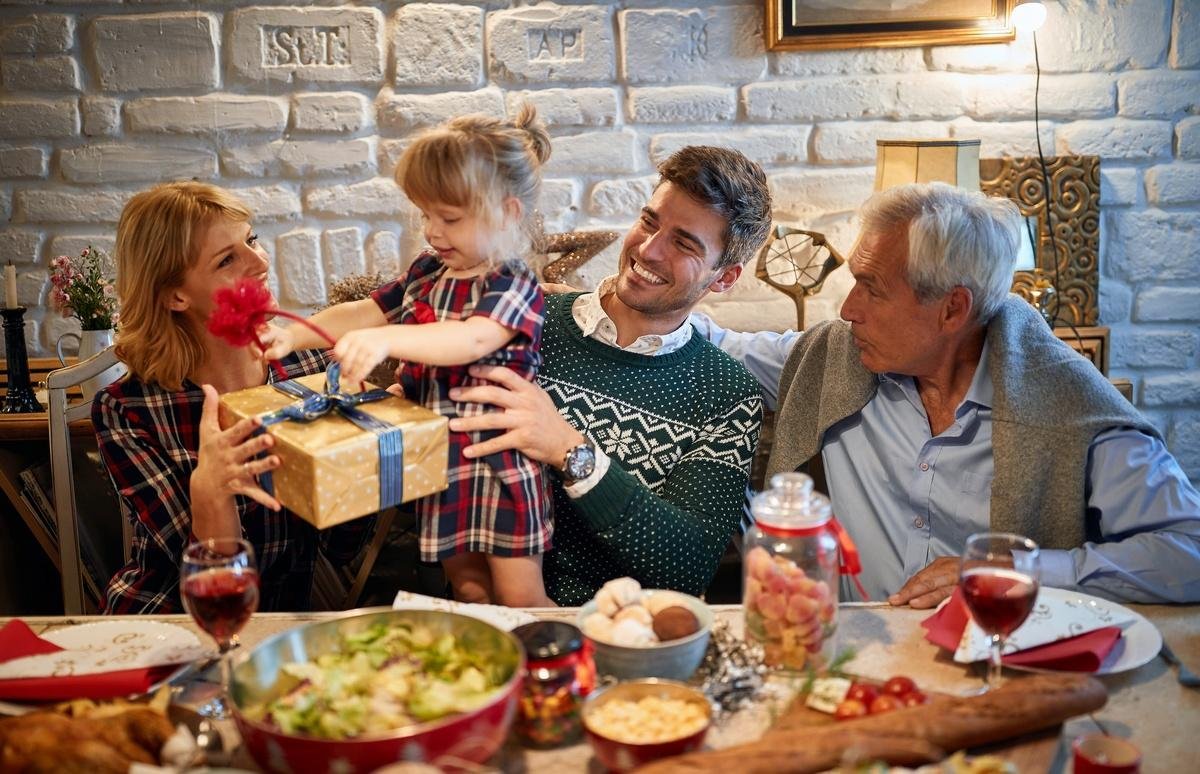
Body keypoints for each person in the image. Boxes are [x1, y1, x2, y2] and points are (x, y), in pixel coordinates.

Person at [696, 182, 1200, 606]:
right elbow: (712, 344)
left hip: (999, 665)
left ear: (953, 309)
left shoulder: (1068, 404)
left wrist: (1017, 571)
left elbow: (1189, 551)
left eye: (872, 288)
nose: (849, 309)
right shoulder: (832, 358)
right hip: (851, 663)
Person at [447, 145, 771, 605]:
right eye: (649, 221)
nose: (649, 248)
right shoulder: (525, 322)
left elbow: (690, 561)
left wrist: (570, 451)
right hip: (483, 619)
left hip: (623, 639)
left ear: (724, 277)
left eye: (683, 243)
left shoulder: (726, 393)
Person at [264, 106, 553, 607]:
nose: (433, 232)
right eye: (425, 214)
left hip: (498, 460)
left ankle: (566, 672)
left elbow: (471, 339)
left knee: (519, 594)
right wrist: (294, 335)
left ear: (507, 213)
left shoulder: (512, 283)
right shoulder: (429, 270)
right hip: (438, 458)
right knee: (466, 587)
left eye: (450, 218)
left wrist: (389, 341)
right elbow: (364, 312)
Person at [95, 181, 369, 613]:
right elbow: (214, 583)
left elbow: (339, 548)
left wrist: (370, 442)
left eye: (251, 240)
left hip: (282, 621)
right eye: (227, 259)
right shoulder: (128, 409)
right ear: (176, 295)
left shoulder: (311, 368)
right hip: (175, 620)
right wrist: (210, 491)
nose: (259, 262)